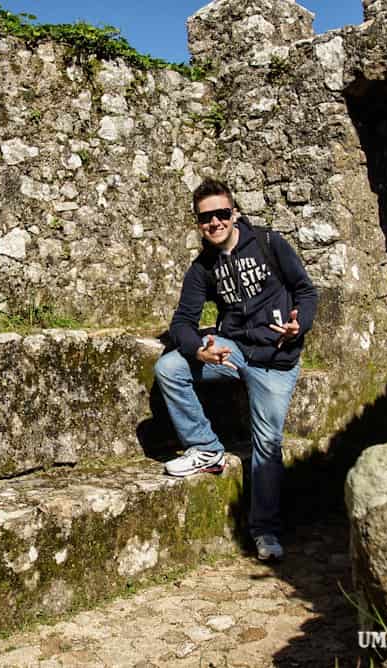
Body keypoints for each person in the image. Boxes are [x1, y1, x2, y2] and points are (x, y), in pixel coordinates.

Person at [154, 178, 318, 561]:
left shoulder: (269, 244)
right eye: (205, 218)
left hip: (276, 361)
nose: (214, 223)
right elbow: (182, 323)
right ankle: (207, 449)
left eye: (221, 214)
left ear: (235, 213)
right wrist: (198, 351)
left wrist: (300, 324)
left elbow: (306, 291)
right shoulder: (202, 269)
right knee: (170, 367)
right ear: (198, 223)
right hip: (234, 351)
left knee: (268, 444)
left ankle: (265, 531)